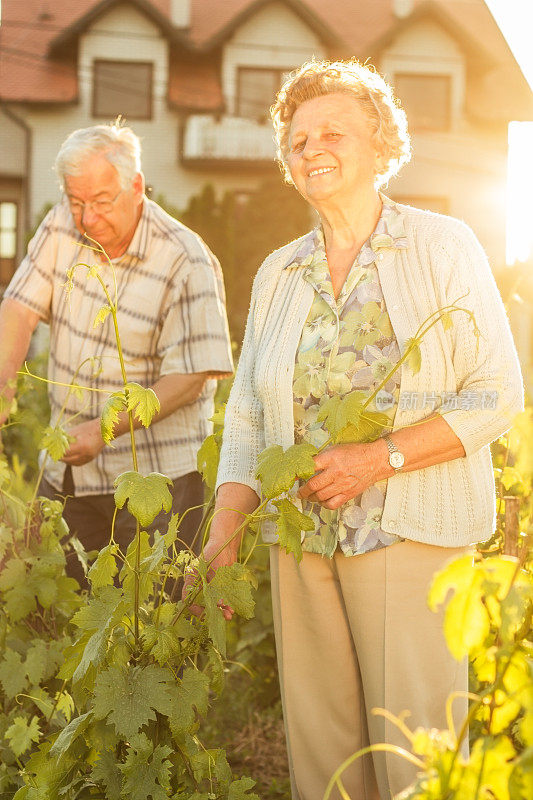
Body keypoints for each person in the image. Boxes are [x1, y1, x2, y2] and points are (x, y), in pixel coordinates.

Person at [184, 60, 523, 800]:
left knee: (416, 748)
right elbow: (245, 412)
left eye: (331, 132)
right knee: (324, 755)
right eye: (296, 139)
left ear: (380, 144)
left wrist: (380, 457)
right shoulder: (279, 272)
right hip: (301, 542)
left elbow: (497, 392)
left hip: (409, 533)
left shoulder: (441, 246)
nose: (310, 149)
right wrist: (227, 524)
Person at [0, 123, 233, 586]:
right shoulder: (61, 224)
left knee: (150, 623)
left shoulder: (186, 259)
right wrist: (4, 382)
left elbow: (190, 378)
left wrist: (103, 430)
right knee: (71, 621)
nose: (87, 218)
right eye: (76, 201)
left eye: (102, 202)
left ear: (137, 187)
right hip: (70, 477)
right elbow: (19, 307)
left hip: (157, 487)